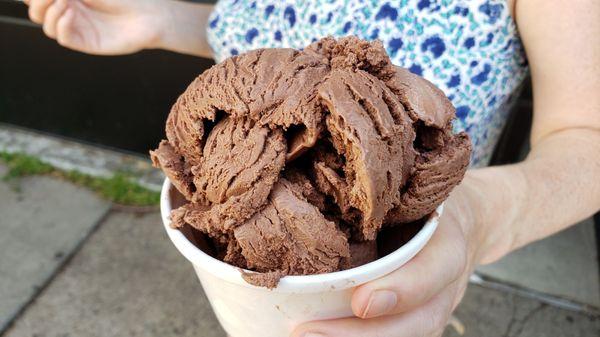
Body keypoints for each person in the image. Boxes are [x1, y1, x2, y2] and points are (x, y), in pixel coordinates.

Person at [24, 0, 600, 336]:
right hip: (240, 237)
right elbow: (256, 43)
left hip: (414, 251)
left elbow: (586, 139)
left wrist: (480, 218)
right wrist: (162, 20)